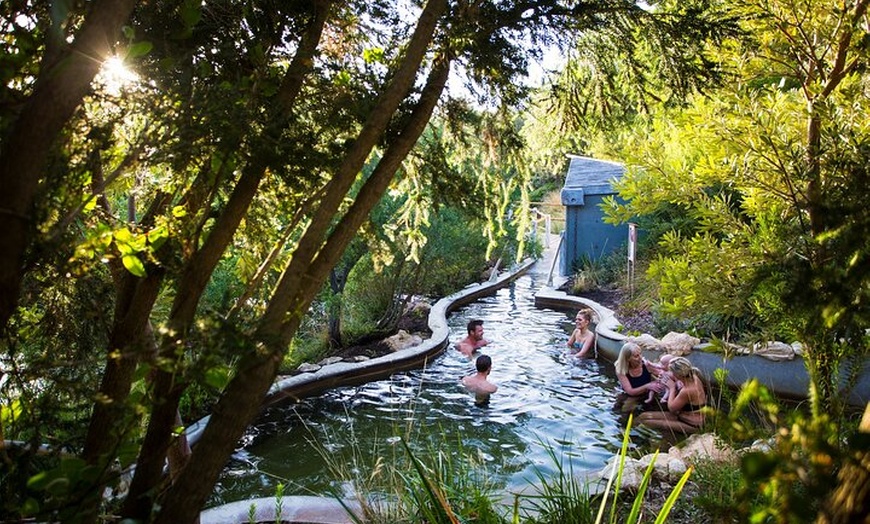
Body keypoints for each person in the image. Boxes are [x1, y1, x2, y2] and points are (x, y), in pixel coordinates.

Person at [637, 357, 707, 433]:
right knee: (643, 416)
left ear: (678, 374)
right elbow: (673, 376)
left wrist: (672, 388)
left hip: (691, 424)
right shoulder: (693, 377)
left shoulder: (687, 390)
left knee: (645, 422)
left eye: (672, 372)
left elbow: (672, 408)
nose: (671, 373)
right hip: (683, 415)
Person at [614, 342, 665, 411]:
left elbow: (662, 373)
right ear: (628, 358)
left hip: (647, 393)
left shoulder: (645, 365)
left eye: (640, 354)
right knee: (624, 410)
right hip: (630, 394)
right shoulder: (621, 369)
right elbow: (630, 391)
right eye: (636, 356)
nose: (640, 357)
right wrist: (647, 386)